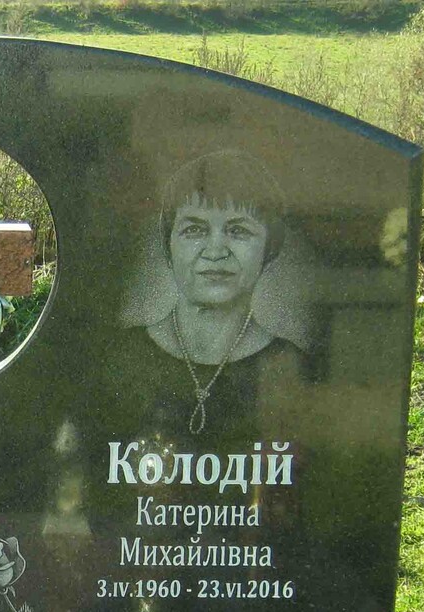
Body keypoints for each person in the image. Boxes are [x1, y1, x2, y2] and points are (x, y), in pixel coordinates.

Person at [117, 149, 309, 438]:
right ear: (169, 246)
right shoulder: (120, 358)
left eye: (238, 230)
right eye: (194, 230)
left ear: (270, 248)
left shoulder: (294, 368)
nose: (216, 251)